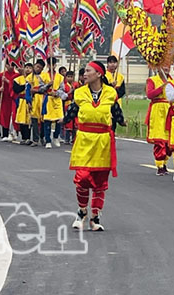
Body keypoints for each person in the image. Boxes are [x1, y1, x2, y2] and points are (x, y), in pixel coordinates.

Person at [64, 61, 124, 231]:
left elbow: (116, 111)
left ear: (99, 74)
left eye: (88, 71)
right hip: (84, 139)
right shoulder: (80, 93)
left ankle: (95, 217)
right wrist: (63, 120)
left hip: (103, 141)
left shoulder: (110, 93)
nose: (85, 74)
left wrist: (122, 121)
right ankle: (82, 211)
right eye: (84, 71)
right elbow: (72, 111)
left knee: (100, 181)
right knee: (82, 177)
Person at [40, 63, 67, 148]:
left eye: (53, 65)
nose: (52, 66)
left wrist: (56, 93)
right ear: (48, 65)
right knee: (47, 121)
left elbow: (62, 89)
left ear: (55, 65)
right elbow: (40, 88)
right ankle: (48, 140)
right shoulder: (43, 76)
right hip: (48, 99)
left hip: (57, 99)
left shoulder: (60, 77)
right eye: (50, 65)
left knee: (59, 120)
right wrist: (48, 85)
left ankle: (56, 137)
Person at [0, 62, 18, 141]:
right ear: (6, 65)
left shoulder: (17, 75)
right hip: (4, 99)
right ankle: (5, 134)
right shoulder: (1, 75)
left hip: (13, 99)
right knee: (4, 116)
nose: (11, 67)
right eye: (9, 65)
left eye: (12, 65)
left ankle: (13, 133)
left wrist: (7, 81)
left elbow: (16, 86)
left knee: (13, 116)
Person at [13, 62, 34, 145]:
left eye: (30, 68)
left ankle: (29, 137)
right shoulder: (18, 79)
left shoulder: (34, 79)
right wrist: (25, 85)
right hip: (22, 101)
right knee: (22, 119)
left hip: (31, 101)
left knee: (29, 120)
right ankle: (24, 137)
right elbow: (16, 89)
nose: (28, 69)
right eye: (26, 67)